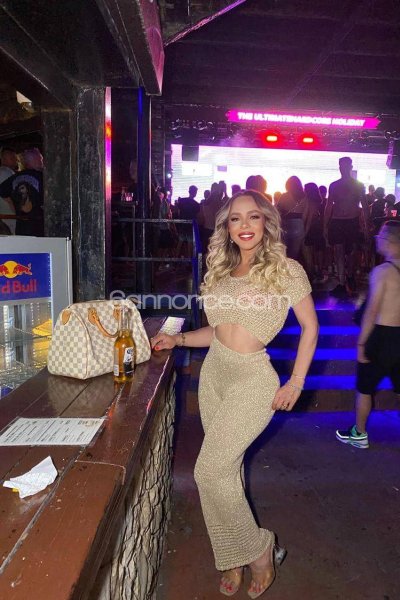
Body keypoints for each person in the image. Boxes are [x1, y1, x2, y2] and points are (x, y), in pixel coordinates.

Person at [151, 190, 318, 597]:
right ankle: (232, 555)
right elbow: (219, 331)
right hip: (215, 374)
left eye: (253, 217)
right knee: (227, 471)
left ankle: (259, 549)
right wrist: (180, 339)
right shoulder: (222, 271)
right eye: (235, 218)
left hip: (253, 379)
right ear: (226, 227)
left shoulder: (286, 270)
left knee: (208, 471)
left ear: (266, 223)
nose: (244, 225)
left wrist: (295, 382)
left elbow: (311, 328)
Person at [336, 221, 400, 449]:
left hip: (381, 337)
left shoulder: (382, 272)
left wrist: (362, 344)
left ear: (389, 241)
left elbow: (372, 311)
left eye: (380, 237)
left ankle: (360, 433)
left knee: (365, 388)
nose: (377, 240)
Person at [324, 157, 368, 296]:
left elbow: (365, 206)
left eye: (346, 166)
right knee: (338, 251)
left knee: (352, 252)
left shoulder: (358, 185)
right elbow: (328, 206)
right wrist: (325, 225)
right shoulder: (334, 185)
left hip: (352, 221)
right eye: (341, 166)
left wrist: (367, 225)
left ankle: (349, 276)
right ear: (339, 168)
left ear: (350, 167)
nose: (343, 169)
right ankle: (342, 282)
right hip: (337, 221)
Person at [0, 147, 44, 236]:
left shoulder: (15, 176)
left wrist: (16, 208)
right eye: (40, 159)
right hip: (39, 227)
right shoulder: (43, 177)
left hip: (21, 226)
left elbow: (2, 191)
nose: (42, 162)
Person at [276, 176, 309, 260]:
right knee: (294, 254)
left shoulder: (284, 196)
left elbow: (277, 211)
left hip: (286, 224)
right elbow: (305, 216)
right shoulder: (305, 197)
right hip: (299, 224)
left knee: (284, 252)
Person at [0, 147, 18, 234]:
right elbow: (10, 197)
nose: (15, 160)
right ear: (3, 159)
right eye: (12, 158)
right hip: (9, 215)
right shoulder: (6, 173)